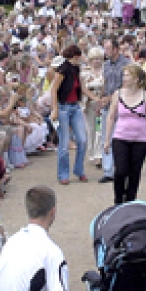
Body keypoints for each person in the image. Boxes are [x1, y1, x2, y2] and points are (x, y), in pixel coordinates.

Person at [103, 64, 146, 205]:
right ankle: (118, 200)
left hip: (141, 139)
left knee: (135, 172)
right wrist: (107, 139)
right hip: (121, 137)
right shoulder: (118, 94)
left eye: (127, 75)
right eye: (124, 75)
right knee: (121, 170)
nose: (124, 78)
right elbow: (111, 117)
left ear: (137, 79)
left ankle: (130, 200)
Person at [50, 44, 88, 185]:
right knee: (64, 143)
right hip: (63, 107)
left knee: (82, 139)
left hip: (75, 106)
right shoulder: (63, 69)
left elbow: (81, 88)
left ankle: (79, 169)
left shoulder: (76, 69)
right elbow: (54, 90)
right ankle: (63, 174)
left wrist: (95, 98)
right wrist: (55, 109)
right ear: (76, 56)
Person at [98, 37, 129, 184]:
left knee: (121, 138)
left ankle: (121, 168)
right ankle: (108, 171)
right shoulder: (106, 65)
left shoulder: (127, 65)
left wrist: (109, 98)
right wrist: (101, 98)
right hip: (107, 106)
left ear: (116, 49)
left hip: (122, 106)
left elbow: (126, 87)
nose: (106, 52)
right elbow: (105, 83)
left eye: (108, 49)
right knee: (106, 136)